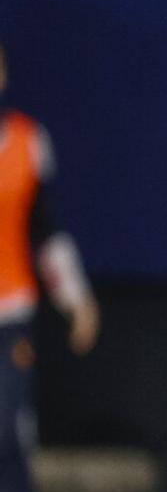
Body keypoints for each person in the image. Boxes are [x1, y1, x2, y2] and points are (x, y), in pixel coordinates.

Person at [0, 42, 99, 492]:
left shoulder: (27, 142)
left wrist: (76, 299)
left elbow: (46, 234)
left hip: (10, 316)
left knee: (8, 436)